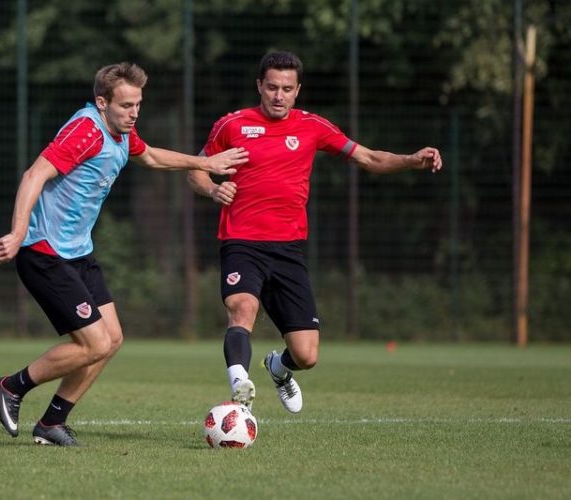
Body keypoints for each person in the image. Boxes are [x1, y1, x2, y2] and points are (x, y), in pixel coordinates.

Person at [0, 62, 248, 447]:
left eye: (138, 104)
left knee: (111, 339)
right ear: (101, 102)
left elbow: (153, 157)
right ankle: (11, 387)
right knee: (92, 343)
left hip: (77, 251)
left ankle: (51, 423)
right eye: (126, 105)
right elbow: (34, 175)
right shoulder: (85, 130)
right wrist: (18, 231)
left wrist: (204, 163)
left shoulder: (122, 132)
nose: (134, 112)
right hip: (43, 249)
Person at [188, 51, 442, 414]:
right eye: (272, 87)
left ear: (298, 90)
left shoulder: (313, 127)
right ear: (259, 85)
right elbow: (195, 170)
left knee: (306, 355)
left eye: (287, 89)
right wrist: (213, 189)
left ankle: (277, 368)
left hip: (288, 250)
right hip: (241, 241)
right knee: (242, 308)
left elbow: (367, 158)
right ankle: (239, 390)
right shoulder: (233, 125)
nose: (279, 95)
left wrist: (410, 160)